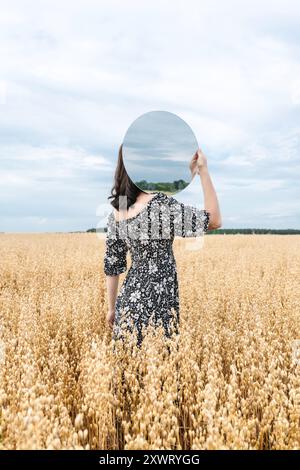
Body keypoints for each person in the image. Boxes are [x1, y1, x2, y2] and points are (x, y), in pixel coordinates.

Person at [104, 144, 222, 347]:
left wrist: (112, 309)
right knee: (159, 373)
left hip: (126, 306)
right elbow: (214, 220)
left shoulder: (116, 212)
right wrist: (204, 171)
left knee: (128, 375)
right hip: (159, 307)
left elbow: (112, 266)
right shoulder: (161, 206)